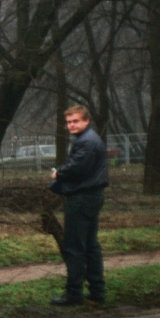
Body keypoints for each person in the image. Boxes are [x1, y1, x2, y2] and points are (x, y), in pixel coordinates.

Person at [50, 104, 109, 306]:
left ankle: (74, 294)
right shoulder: (89, 139)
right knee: (91, 246)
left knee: (75, 247)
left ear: (86, 121)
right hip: (91, 197)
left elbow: (77, 168)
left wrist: (59, 173)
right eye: (68, 122)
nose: (71, 125)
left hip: (81, 199)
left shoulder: (86, 142)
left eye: (75, 121)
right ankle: (97, 292)